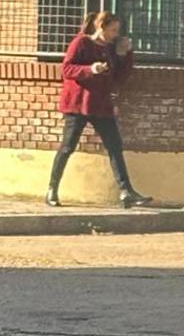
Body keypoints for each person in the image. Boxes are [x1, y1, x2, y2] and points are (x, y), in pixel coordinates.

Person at [47, 11, 152, 208]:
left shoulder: (111, 49)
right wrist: (90, 70)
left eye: (117, 31)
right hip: (78, 104)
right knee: (67, 147)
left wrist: (126, 54)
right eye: (112, 30)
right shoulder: (81, 43)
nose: (115, 34)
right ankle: (52, 189)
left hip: (101, 105)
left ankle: (126, 192)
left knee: (114, 146)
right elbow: (66, 69)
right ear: (100, 27)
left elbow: (119, 78)